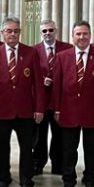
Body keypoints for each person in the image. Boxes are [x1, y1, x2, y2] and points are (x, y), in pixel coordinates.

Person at [52, 21, 94, 187]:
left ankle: (90, 182)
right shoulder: (62, 57)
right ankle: (68, 182)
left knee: (91, 150)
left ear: (90, 35)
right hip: (68, 112)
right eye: (78, 34)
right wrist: (56, 109)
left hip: (93, 112)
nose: (82, 37)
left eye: (85, 34)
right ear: (72, 36)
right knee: (69, 150)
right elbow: (57, 87)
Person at [0, 16, 42, 187]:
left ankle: (26, 180)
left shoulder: (30, 53)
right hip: (2, 110)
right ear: (2, 33)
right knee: (1, 147)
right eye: (9, 31)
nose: (13, 34)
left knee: (26, 148)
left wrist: (39, 108)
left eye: (16, 31)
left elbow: (38, 84)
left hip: (25, 110)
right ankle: (3, 178)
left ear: (20, 32)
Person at [33, 19, 72, 175]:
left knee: (60, 134)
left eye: (50, 30)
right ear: (41, 33)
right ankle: (38, 162)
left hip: (60, 101)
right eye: (44, 31)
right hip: (41, 100)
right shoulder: (34, 50)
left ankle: (58, 164)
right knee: (39, 135)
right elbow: (30, 74)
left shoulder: (67, 48)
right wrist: (42, 79)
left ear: (56, 31)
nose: (47, 33)